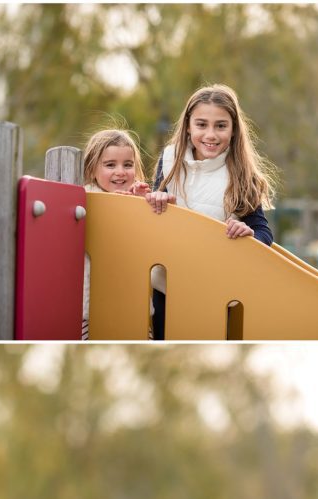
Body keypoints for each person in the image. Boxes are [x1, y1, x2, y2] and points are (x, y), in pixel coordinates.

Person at [143, 84, 278, 338]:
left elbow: (263, 232)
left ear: (234, 129)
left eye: (221, 125)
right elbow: (154, 211)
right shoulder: (169, 159)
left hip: (214, 290)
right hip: (166, 286)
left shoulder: (241, 174)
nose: (211, 134)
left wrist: (248, 232)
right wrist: (155, 197)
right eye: (202, 124)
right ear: (188, 126)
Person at [79, 127, 163, 340]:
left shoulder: (141, 199)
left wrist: (140, 206)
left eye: (128, 165)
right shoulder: (85, 198)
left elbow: (151, 242)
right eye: (110, 165)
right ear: (91, 169)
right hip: (90, 308)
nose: (120, 172)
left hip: (135, 308)